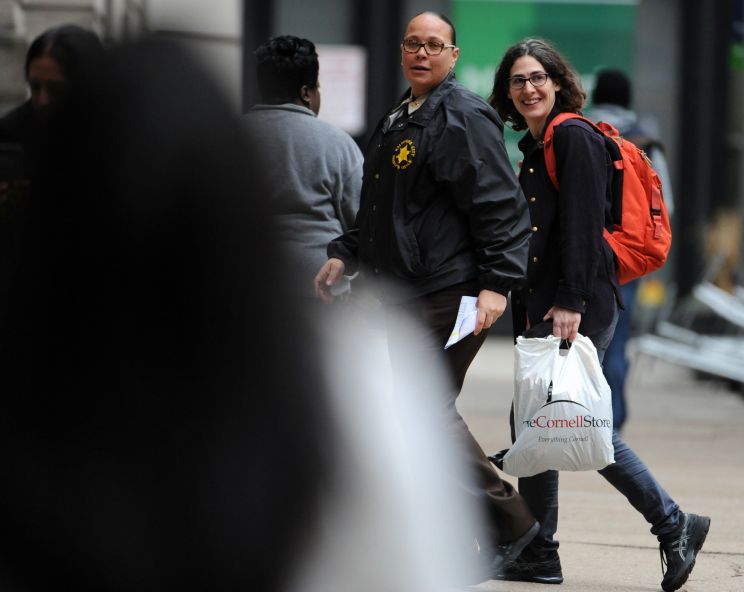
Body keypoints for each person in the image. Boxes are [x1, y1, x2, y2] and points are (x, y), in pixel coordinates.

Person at [314, 11, 539, 582]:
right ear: (401, 49)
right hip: (403, 292)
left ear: (454, 55)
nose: (422, 53)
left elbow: (502, 207)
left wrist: (495, 285)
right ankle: (519, 543)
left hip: (450, 289)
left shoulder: (462, 117)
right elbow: (381, 208)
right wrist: (346, 250)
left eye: (434, 45)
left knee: (422, 412)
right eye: (413, 43)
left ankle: (515, 527)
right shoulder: (400, 115)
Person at [489, 38, 709, 591]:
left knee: (577, 421)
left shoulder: (572, 136)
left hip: (576, 305)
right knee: (539, 424)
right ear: (507, 92)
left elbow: (584, 228)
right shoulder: (538, 144)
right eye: (518, 80)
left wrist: (569, 301)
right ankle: (540, 551)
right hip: (548, 304)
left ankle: (674, 522)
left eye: (538, 77)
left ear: (559, 82)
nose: (528, 88)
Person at [244, 35, 363, 300]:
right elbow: (361, 224)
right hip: (322, 293)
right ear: (306, 92)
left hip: (248, 290)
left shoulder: (229, 138)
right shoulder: (339, 145)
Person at [588, 68, 674, 431]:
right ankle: (613, 421)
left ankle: (577, 416)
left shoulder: (577, 131)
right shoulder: (646, 142)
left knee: (575, 341)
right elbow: (664, 203)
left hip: (581, 254)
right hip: (626, 260)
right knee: (617, 339)